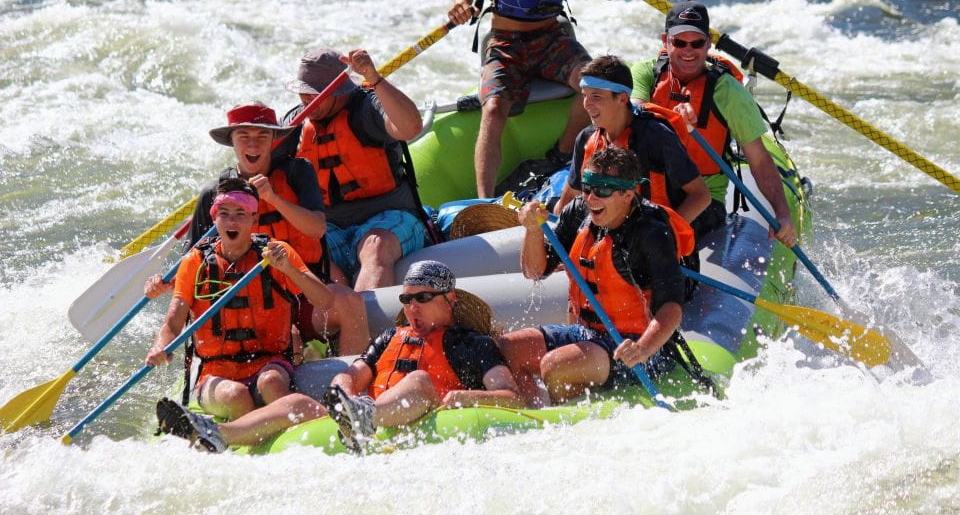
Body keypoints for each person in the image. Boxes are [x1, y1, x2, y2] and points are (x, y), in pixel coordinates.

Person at [146, 103, 369, 356]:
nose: (253, 144)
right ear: (232, 142)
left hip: (303, 289)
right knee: (288, 338)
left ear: (274, 138)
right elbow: (193, 263)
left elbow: (317, 230)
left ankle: (351, 387)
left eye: (262, 135)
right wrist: (162, 284)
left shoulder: (297, 171)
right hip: (250, 303)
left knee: (350, 302)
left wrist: (274, 199)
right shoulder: (215, 192)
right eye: (244, 136)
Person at [447, 0, 616, 198]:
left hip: (551, 38)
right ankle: (486, 200)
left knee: (594, 83)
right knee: (494, 107)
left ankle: (562, 153)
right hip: (506, 43)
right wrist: (460, 3)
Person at [498, 146, 701, 406]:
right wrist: (532, 231)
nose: (591, 198)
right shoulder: (578, 212)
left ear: (627, 194)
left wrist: (643, 349)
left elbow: (671, 308)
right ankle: (536, 411)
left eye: (603, 191)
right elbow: (534, 271)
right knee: (508, 348)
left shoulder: (651, 234)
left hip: (637, 344)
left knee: (555, 366)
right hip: (588, 334)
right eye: (587, 188)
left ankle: (570, 418)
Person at [145, 179, 337, 426]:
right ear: (214, 220)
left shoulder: (276, 253)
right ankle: (250, 434)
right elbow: (173, 323)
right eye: (224, 214)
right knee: (236, 395)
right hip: (214, 374)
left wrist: (289, 269)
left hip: (269, 362)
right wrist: (160, 347)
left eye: (240, 214)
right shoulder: (194, 262)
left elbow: (326, 300)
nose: (232, 221)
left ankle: (245, 431)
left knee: (271, 383)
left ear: (254, 219)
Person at [630, 1, 798, 246]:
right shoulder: (645, 73)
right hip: (646, 191)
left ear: (708, 43)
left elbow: (759, 158)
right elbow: (632, 114)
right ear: (666, 41)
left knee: (655, 241)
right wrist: (670, 119)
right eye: (679, 43)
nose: (689, 51)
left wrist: (782, 214)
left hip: (702, 199)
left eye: (697, 43)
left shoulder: (728, 91)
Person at [319, 260, 522, 452]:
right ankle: (356, 416)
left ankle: (363, 417)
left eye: (422, 298)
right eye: (406, 300)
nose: (412, 307)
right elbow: (351, 376)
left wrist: (465, 397)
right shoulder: (389, 337)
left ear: (449, 300)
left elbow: (513, 398)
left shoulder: (473, 344)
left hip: (434, 419)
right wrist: (344, 394)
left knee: (419, 379)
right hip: (379, 422)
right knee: (298, 402)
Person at [280, 47, 427, 292]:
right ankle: (339, 320)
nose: (306, 99)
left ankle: (369, 325)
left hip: (389, 215)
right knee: (303, 253)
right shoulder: (293, 124)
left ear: (338, 92)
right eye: (302, 91)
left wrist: (375, 78)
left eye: (314, 93)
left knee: (375, 247)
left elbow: (411, 128)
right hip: (330, 226)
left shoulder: (367, 108)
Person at [551, 55, 711, 233]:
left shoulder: (656, 137)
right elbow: (568, 196)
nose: (587, 105)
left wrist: (667, 235)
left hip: (655, 234)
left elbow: (700, 195)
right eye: (585, 96)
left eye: (596, 96)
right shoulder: (586, 138)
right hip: (612, 234)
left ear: (622, 98)